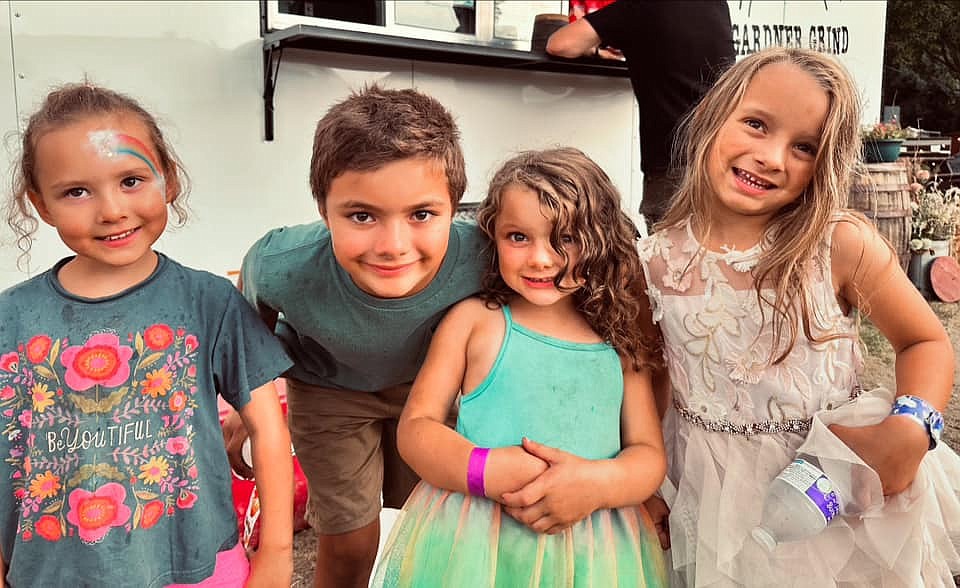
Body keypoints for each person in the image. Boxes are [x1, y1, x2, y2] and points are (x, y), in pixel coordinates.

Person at [638, 47, 960, 586]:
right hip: (710, 496)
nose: (771, 156)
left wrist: (913, 423)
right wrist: (648, 483)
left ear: (823, 165)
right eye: (756, 124)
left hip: (832, 484)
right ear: (714, 116)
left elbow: (923, 341)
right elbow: (657, 383)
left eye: (803, 147)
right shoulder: (654, 261)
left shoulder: (836, 244)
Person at [0, 83, 294, 587]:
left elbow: (268, 430)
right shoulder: (10, 318)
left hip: (198, 571)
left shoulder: (208, 302)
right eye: (76, 191)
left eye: (132, 180)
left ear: (169, 179)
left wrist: (277, 554)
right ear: (40, 204)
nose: (111, 209)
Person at [220, 85, 486, 588]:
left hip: (433, 392)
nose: (393, 246)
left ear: (456, 207)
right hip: (330, 392)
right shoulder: (282, 265)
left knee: (429, 532)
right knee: (350, 545)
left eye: (422, 215)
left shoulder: (483, 256)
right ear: (324, 209)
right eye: (362, 216)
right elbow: (251, 315)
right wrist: (244, 407)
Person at [372, 147, 669, 586]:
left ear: (601, 241)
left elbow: (647, 455)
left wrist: (597, 484)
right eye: (519, 237)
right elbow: (417, 428)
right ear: (493, 236)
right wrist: (484, 469)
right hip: (472, 548)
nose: (540, 259)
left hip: (592, 554)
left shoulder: (619, 344)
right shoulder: (474, 322)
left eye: (565, 238)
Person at [546, 0, 735, 230]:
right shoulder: (715, 5)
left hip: (672, 166)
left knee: (669, 260)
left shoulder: (641, 7)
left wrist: (595, 50)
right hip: (721, 157)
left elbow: (560, 44)